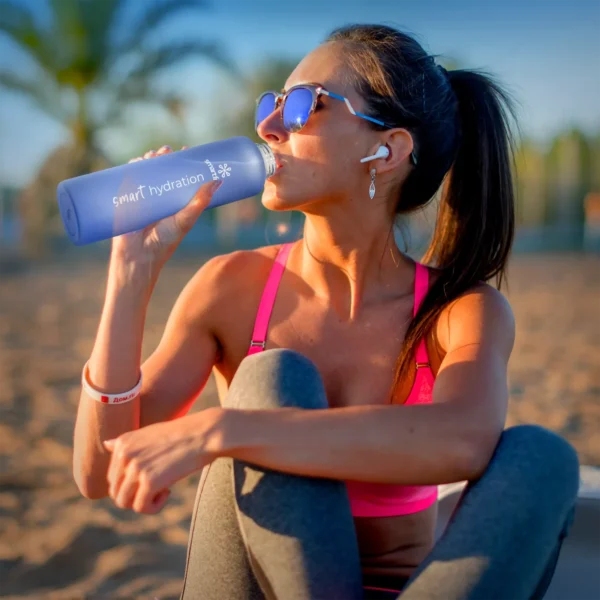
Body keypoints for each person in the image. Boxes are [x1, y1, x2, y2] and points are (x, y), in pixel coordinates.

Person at [73, 24, 579, 600]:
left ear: (386, 150)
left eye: (298, 105)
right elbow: (98, 472)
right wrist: (129, 277)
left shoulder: (459, 311)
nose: (267, 126)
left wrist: (224, 427)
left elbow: (465, 438)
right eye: (270, 104)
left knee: (545, 457)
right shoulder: (232, 288)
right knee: (270, 378)